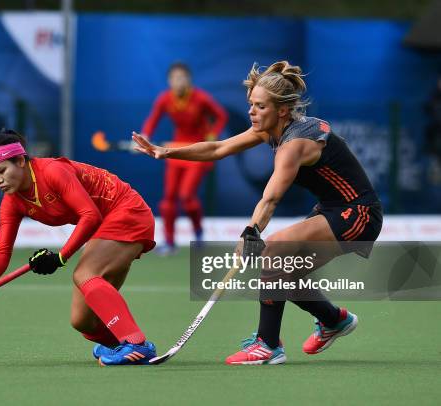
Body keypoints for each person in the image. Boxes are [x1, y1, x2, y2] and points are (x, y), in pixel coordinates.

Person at [133, 61, 383, 365]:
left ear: (281, 110)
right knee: (284, 273)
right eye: (250, 104)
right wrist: (167, 151)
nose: (252, 111)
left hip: (358, 213)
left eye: (259, 106)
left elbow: (271, 197)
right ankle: (334, 320)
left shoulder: (296, 143)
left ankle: (267, 345)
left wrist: (251, 232)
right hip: (332, 209)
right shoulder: (270, 130)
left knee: (274, 252)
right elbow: (218, 148)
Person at [0, 129, 157, 366]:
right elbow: (2, 250)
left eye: (2, 171)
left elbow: (89, 215)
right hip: (105, 225)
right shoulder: (12, 201)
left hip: (126, 210)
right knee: (82, 321)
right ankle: (122, 345)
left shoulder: (52, 171)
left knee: (85, 274)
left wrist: (60, 258)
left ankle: (135, 344)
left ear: (21, 161)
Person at [140, 62, 228, 255]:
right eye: (174, 78)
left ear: (189, 80)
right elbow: (152, 121)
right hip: (175, 151)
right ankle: (169, 243)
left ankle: (198, 233)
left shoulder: (201, 98)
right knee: (168, 199)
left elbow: (221, 116)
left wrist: (212, 135)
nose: (178, 82)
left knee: (187, 196)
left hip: (197, 152)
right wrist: (145, 136)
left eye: (182, 78)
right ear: (169, 81)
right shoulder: (165, 99)